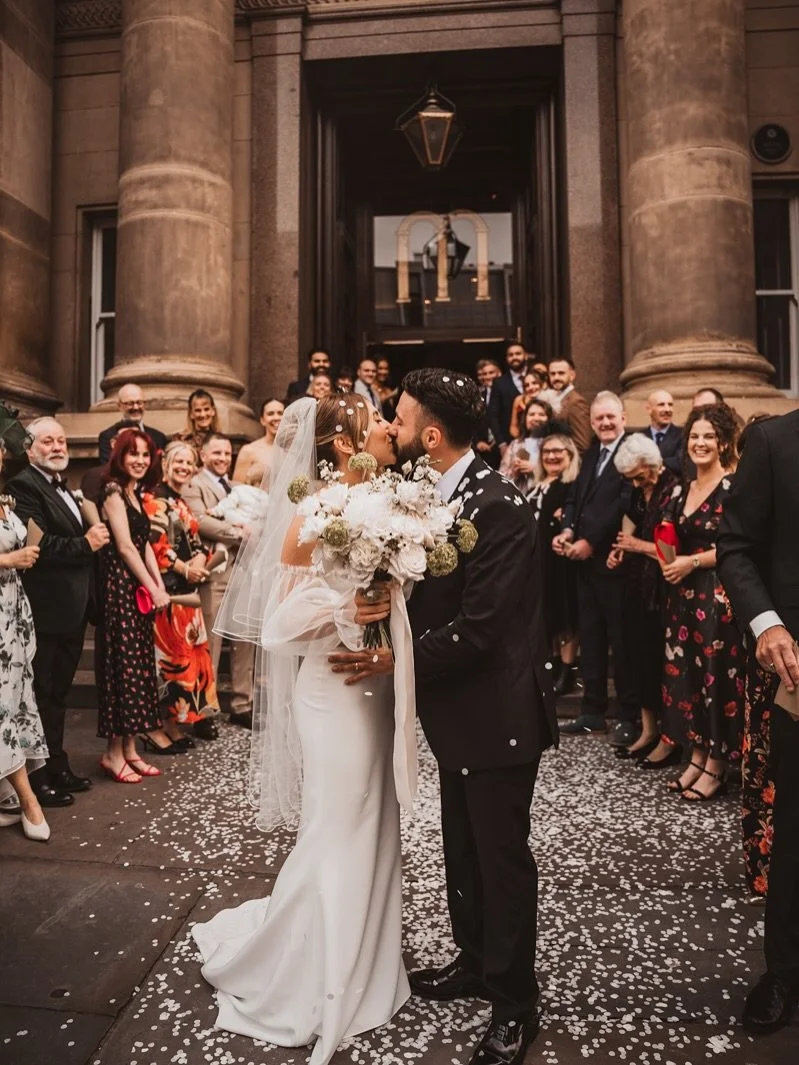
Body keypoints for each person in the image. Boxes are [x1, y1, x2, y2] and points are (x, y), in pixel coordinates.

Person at [336, 369, 559, 1065]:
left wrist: (392, 659)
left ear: (430, 435)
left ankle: (514, 1005)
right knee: (461, 845)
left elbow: (484, 625)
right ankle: (474, 961)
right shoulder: (429, 491)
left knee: (500, 858)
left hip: (497, 713)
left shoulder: (498, 504)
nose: (393, 430)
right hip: (454, 712)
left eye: (399, 421)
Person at [191, 395, 413, 1065]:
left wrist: (389, 604)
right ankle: (325, 977)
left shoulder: (391, 502)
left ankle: (371, 960)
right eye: (375, 419)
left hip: (373, 685)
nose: (386, 425)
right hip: (329, 691)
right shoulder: (314, 512)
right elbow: (282, 625)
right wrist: (349, 605)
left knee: (375, 818)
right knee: (336, 824)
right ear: (345, 444)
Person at [717, 408, 799, 1034]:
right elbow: (736, 548)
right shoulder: (774, 441)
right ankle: (784, 972)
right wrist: (766, 622)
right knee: (796, 826)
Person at [8, 418, 110, 808]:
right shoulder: (23, 486)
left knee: (59, 693)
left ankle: (58, 763)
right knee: (42, 694)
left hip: (73, 608)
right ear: (30, 449)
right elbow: (41, 547)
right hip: (46, 608)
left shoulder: (63, 486)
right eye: (47, 440)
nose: (56, 446)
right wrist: (86, 543)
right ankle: (40, 776)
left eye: (61, 440)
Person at [643, 404, 744, 792]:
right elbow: (667, 532)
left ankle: (717, 764)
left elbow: (738, 545)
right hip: (682, 595)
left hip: (717, 596)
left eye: (708, 437)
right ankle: (698, 755)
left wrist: (691, 561)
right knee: (689, 677)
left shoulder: (733, 486)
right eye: (695, 437)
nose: (700, 443)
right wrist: (670, 559)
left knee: (716, 678)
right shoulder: (683, 487)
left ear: (723, 442)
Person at [553, 391, 638, 742]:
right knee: (590, 636)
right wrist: (568, 530)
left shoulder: (632, 454)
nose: (605, 423)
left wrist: (592, 542)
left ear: (623, 418)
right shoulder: (590, 456)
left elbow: (624, 505)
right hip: (583, 567)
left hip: (615, 565)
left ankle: (630, 716)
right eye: (599, 418)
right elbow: (574, 498)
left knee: (622, 641)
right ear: (591, 423)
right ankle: (592, 711)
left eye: (611, 417)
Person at [96, 429, 171, 782]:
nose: (140, 460)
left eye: (145, 454)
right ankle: (112, 754)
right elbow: (125, 547)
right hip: (120, 589)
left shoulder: (135, 491)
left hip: (137, 587)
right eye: (133, 454)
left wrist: (157, 585)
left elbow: (143, 545)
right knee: (121, 668)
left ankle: (130, 750)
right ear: (120, 457)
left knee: (137, 668)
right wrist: (150, 587)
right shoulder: (112, 491)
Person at [143, 442, 219, 747]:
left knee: (189, 660)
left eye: (189, 463)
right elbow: (155, 545)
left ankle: (177, 723)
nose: (184, 467)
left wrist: (199, 563)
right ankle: (163, 727)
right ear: (166, 464)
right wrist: (185, 570)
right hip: (170, 593)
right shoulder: (155, 500)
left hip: (189, 593)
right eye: (179, 462)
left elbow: (196, 540)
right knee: (170, 662)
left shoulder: (181, 501)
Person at [608, 434, 677, 758]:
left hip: (664, 590)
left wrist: (637, 547)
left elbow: (674, 551)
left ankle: (668, 738)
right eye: (631, 479)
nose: (636, 483)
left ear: (652, 466)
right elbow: (631, 527)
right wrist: (622, 550)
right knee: (640, 661)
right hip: (636, 586)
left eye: (639, 476)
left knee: (660, 664)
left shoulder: (673, 489)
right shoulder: (640, 490)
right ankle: (648, 731)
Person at [182, 433, 255, 731]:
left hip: (245, 570)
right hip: (214, 573)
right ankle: (205, 711)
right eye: (217, 452)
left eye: (227, 453)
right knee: (210, 643)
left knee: (244, 641)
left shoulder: (239, 488)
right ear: (203, 454)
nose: (223, 458)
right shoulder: (193, 485)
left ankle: (242, 703)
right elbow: (200, 521)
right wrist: (239, 531)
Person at [0, 444, 50, 842]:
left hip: (13, 611)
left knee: (16, 698)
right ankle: (27, 798)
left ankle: (4, 796)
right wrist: (6, 561)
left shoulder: (5, 498)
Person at [528, 434, 581, 696]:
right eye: (547, 451)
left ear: (569, 454)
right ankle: (553, 665)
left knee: (564, 612)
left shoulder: (570, 484)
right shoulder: (537, 483)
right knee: (547, 612)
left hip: (559, 558)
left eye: (558, 451)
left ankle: (568, 671)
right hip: (537, 560)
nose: (552, 456)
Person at [98, 383, 167, 464]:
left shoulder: (159, 437)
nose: (136, 407)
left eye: (139, 402)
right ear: (119, 405)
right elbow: (108, 467)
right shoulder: (108, 436)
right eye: (130, 403)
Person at [499, 398, 555, 495]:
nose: (536, 418)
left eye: (541, 414)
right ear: (525, 419)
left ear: (549, 419)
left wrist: (535, 469)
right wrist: (514, 472)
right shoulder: (515, 445)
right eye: (531, 414)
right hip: (519, 497)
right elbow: (500, 477)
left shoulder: (555, 444)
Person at [232, 398, 284, 488]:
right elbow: (237, 489)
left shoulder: (292, 451)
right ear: (262, 420)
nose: (276, 418)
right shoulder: (248, 451)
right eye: (270, 414)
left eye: (280, 413)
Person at [487, 340, 527, 452]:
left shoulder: (535, 378)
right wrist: (501, 444)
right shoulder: (499, 383)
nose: (514, 357)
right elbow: (493, 416)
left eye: (518, 354)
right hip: (509, 442)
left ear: (525, 356)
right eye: (511, 355)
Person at [546, 357, 592, 452]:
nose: (556, 378)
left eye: (561, 373)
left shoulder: (576, 402)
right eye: (552, 374)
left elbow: (582, 444)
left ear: (572, 375)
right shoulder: (552, 398)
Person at [643, 390, 682, 475]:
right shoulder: (639, 437)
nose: (667, 409)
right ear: (649, 409)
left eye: (670, 405)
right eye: (661, 405)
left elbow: (680, 463)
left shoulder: (683, 435)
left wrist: (648, 464)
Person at [473, 359, 502, 469]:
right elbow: (473, 420)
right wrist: (477, 442)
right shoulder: (478, 396)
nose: (488, 376)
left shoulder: (506, 393)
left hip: (503, 447)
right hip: (484, 449)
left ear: (499, 373)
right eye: (484, 374)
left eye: (491, 373)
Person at [173, 389, 219, 454]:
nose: (203, 415)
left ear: (213, 411)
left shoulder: (220, 439)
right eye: (198, 410)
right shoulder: (180, 440)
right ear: (191, 414)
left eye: (206, 409)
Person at [508, 370, 546, 440]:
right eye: (527, 385)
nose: (531, 387)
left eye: (534, 383)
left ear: (542, 384)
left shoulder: (549, 400)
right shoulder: (519, 400)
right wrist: (521, 440)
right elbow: (513, 426)